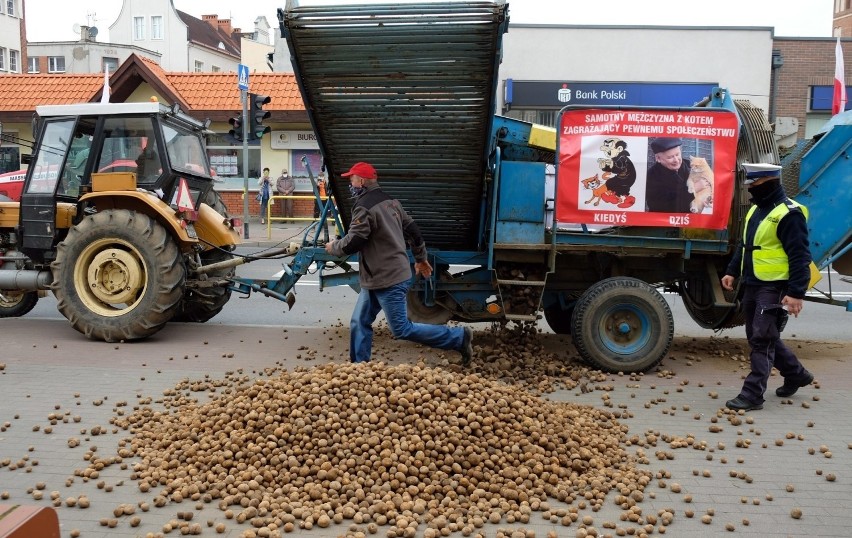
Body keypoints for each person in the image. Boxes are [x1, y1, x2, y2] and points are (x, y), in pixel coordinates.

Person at [324, 161, 473, 364]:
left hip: (388, 279)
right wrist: (421, 259)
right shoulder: (391, 202)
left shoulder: (363, 207)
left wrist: (334, 247)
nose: (350, 183)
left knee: (401, 329)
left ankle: (459, 338)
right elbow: (414, 231)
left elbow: (354, 242)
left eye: (351, 179)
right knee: (359, 321)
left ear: (361, 181)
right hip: (377, 277)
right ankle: (358, 368)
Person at [721, 162, 814, 411]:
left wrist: (796, 293)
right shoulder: (756, 210)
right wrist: (731, 270)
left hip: (774, 286)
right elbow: (745, 245)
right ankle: (796, 374)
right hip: (753, 282)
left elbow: (800, 256)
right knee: (760, 334)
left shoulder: (789, 213)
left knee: (762, 338)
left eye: (754, 184)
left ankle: (752, 395)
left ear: (768, 182)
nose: (750, 188)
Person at [645, 137, 693, 213]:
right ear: (658, 158)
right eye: (670, 157)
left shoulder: (691, 166)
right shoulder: (652, 175)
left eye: (677, 155)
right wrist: (693, 190)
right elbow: (660, 207)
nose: (676, 160)